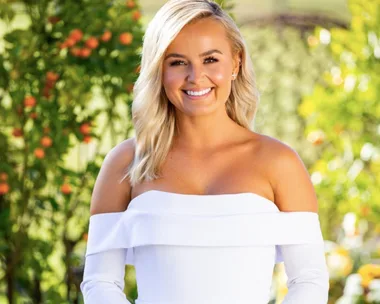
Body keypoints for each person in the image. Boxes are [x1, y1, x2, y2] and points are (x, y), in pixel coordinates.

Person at [80, 0, 330, 303]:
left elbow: (309, 280)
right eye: (177, 62)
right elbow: (100, 282)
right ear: (159, 70)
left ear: (236, 63)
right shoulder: (126, 163)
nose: (196, 77)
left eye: (210, 59)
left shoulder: (279, 162)